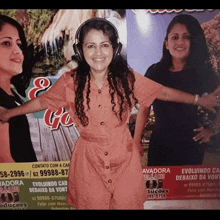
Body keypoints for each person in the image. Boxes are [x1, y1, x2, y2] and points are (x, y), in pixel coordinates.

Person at [0, 18, 219, 209]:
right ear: (80, 49)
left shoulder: (127, 78)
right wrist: (10, 114)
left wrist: (199, 99)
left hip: (124, 158)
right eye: (91, 46)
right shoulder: (70, 81)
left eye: (104, 45)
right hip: (88, 161)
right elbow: (42, 101)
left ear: (115, 49)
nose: (98, 53)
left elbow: (161, 91)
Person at [134, 14, 220, 166]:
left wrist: (213, 129)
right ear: (166, 43)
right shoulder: (155, 72)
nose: (180, 42)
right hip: (160, 145)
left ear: (193, 42)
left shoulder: (203, 73)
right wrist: (136, 140)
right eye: (174, 37)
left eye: (185, 37)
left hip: (191, 147)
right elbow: (144, 108)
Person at [0, 14, 37, 163]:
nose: (17, 51)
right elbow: (4, 160)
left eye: (19, 44)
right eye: (6, 43)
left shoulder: (12, 96)